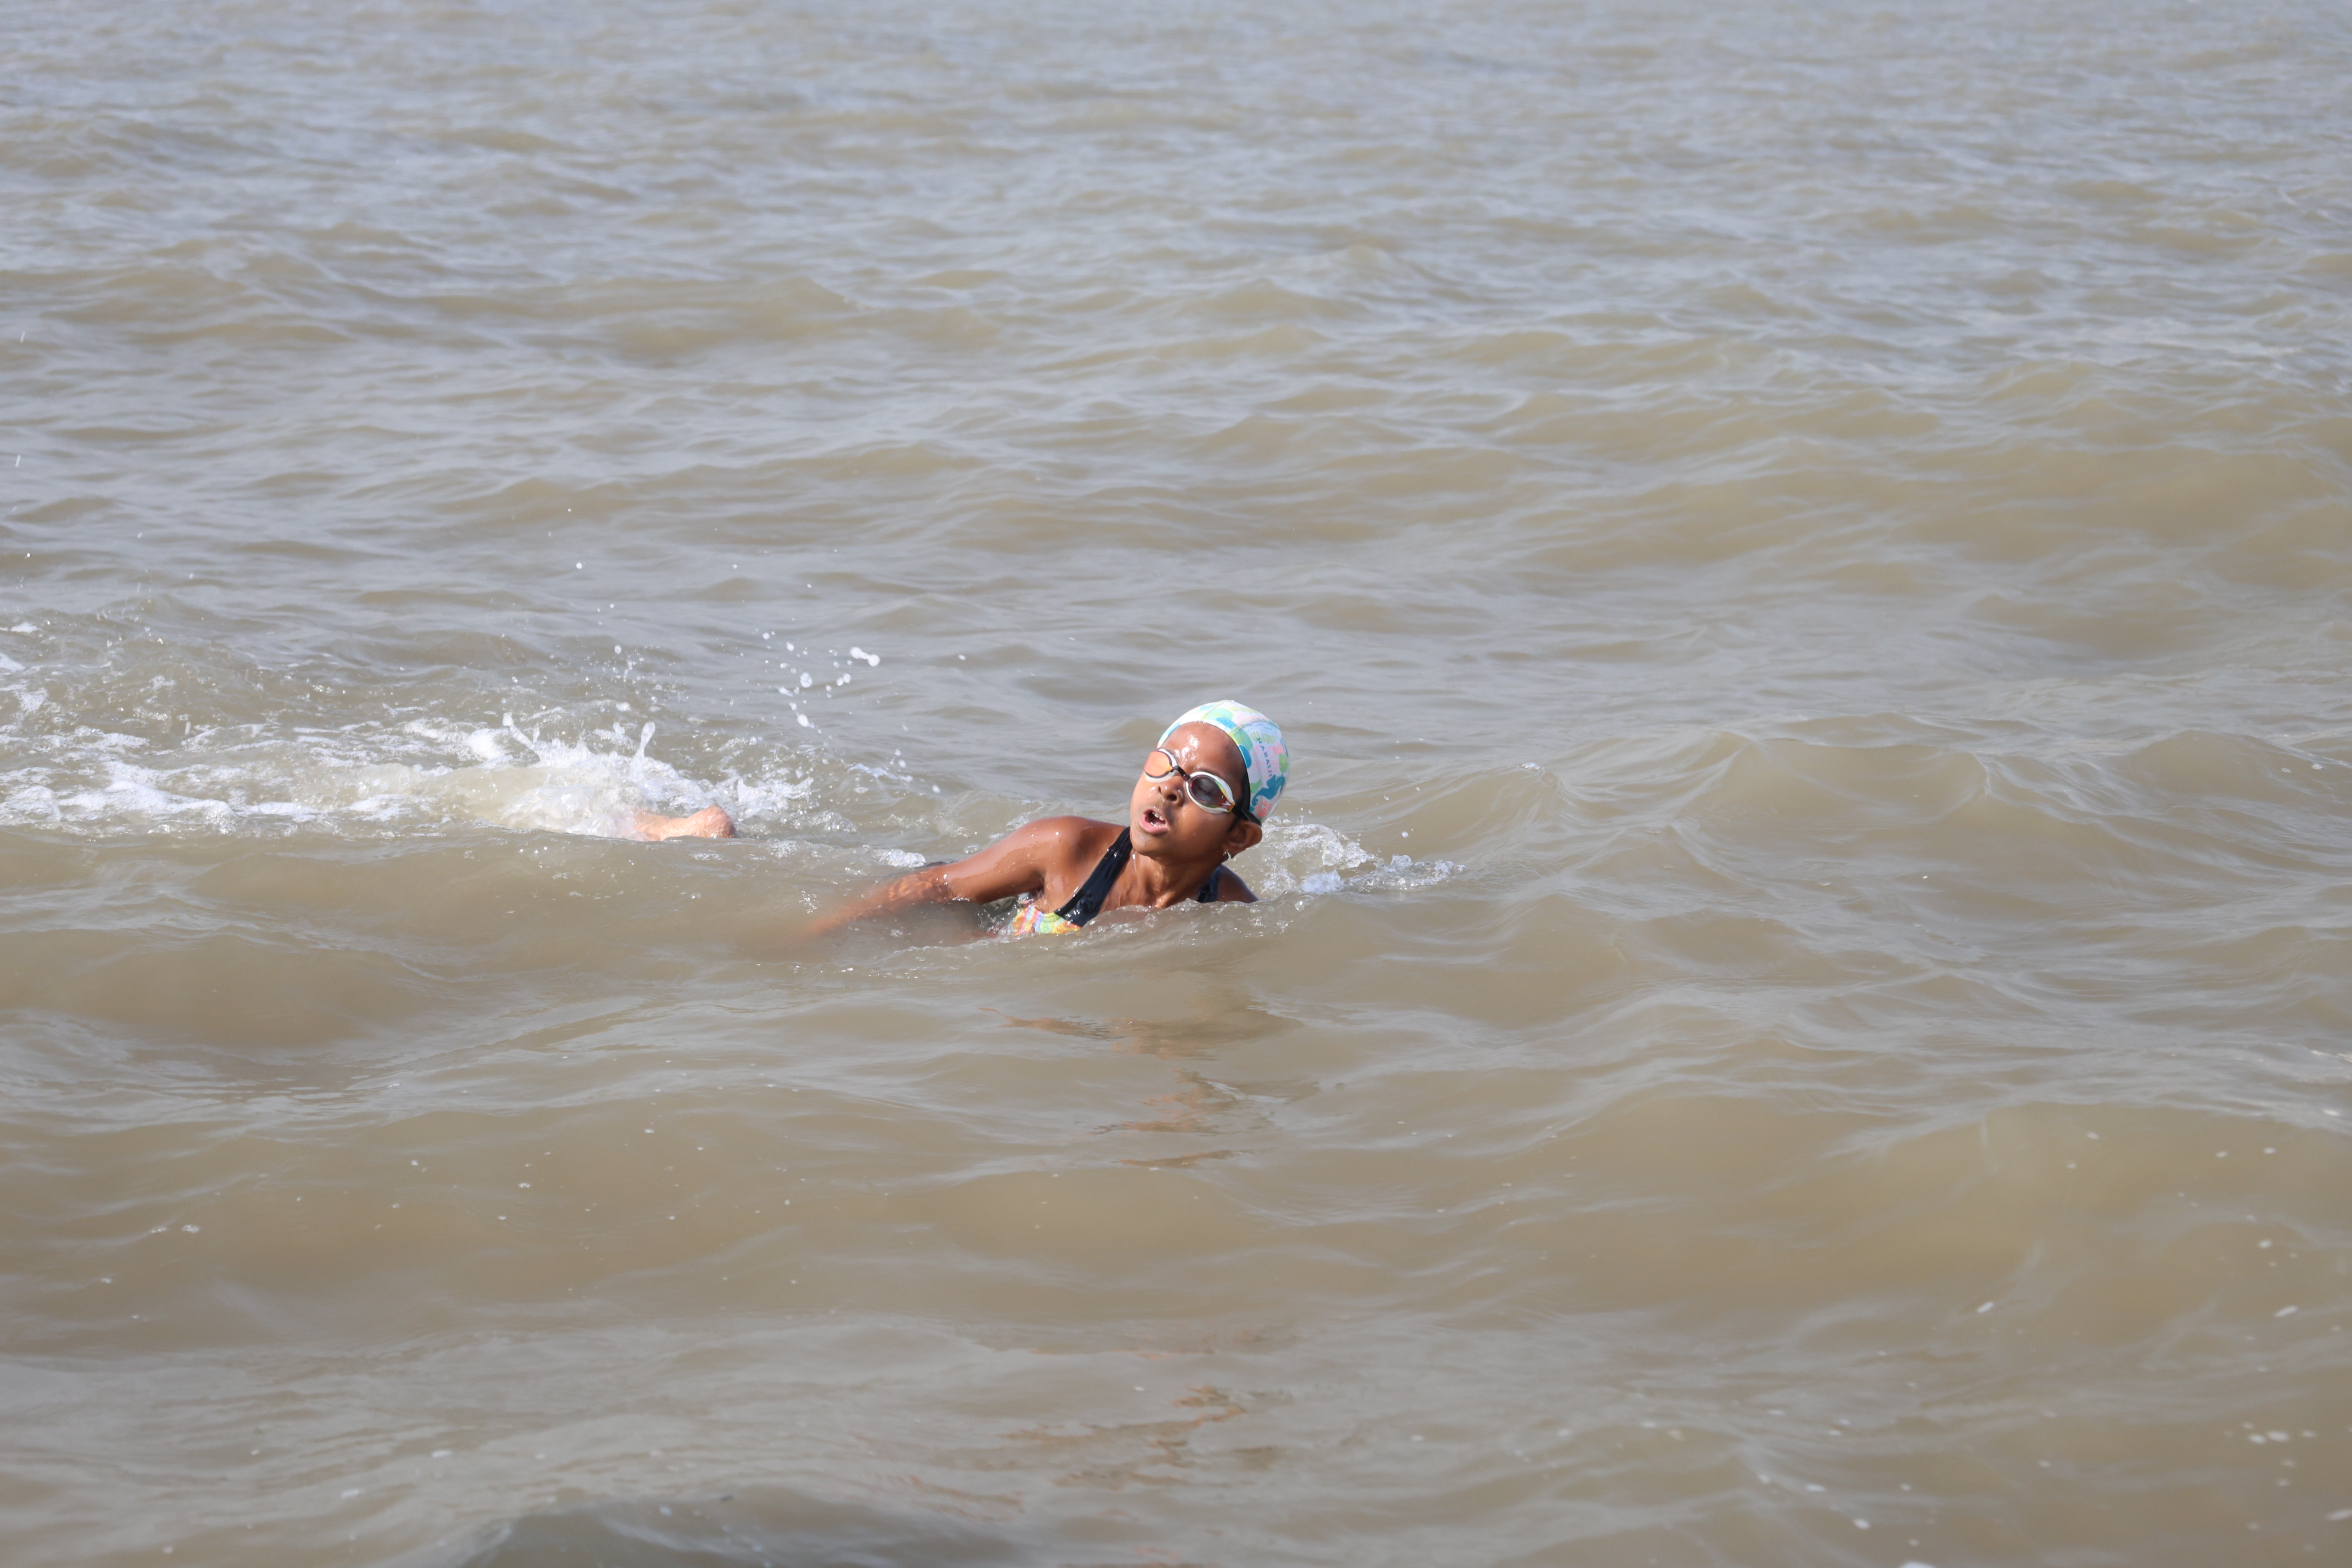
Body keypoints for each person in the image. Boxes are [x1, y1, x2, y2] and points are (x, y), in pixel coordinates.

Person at [813, 700, 1288, 936]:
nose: (1169, 786)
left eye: (1204, 788)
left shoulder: (1229, 911)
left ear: (1241, 836)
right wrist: (818, 930)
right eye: (1163, 762)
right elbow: (934, 888)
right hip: (965, 922)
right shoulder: (1064, 849)